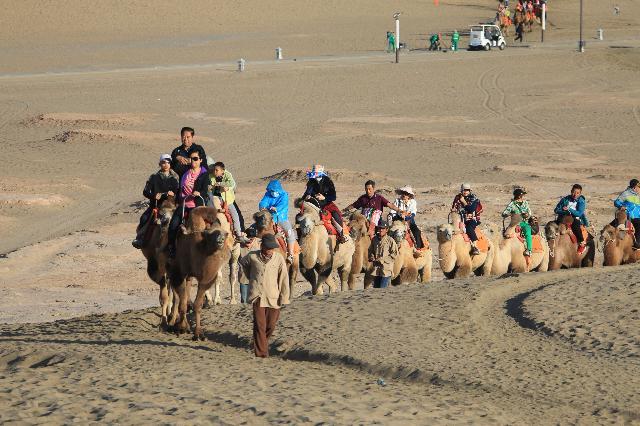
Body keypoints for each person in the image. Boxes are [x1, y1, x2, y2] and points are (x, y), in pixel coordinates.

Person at [239, 234, 290, 358]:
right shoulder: (252, 256)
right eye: (268, 248)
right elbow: (242, 263)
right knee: (260, 325)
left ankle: (260, 343)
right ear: (262, 247)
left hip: (274, 296)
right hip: (257, 296)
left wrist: (284, 297)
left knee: (271, 325)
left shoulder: (278, 258)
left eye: (272, 248)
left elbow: (283, 278)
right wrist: (251, 277)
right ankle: (262, 353)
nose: (270, 251)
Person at [166, 151, 210, 257]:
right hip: (184, 204)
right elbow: (180, 188)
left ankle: (210, 247)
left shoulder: (204, 174)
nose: (193, 161)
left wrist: (199, 192)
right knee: (173, 225)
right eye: (191, 159)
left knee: (210, 225)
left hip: (197, 205)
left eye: (195, 158)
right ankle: (171, 248)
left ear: (200, 160)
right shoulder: (185, 173)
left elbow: (205, 190)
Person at [132, 154, 179, 249]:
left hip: (170, 207)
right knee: (144, 218)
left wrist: (174, 194)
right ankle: (140, 238)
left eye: (168, 162)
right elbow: (145, 191)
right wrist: (154, 196)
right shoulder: (154, 177)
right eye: (163, 162)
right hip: (156, 206)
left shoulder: (175, 178)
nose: (166, 164)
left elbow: (178, 191)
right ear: (160, 164)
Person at [302, 164, 346, 242]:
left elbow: (333, 196)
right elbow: (307, 193)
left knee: (336, 215)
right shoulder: (311, 181)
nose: (315, 175)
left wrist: (324, 197)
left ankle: (341, 235)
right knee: (300, 216)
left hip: (326, 204)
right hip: (313, 205)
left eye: (316, 173)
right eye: (314, 173)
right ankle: (300, 236)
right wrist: (306, 196)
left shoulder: (328, 182)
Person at [258, 179, 296, 263]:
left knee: (289, 233)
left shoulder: (284, 195)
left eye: (274, 191)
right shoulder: (268, 194)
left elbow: (283, 204)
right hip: (269, 218)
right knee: (256, 229)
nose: (273, 192)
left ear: (278, 190)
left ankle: (290, 254)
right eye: (271, 190)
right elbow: (263, 202)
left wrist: (276, 208)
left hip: (281, 218)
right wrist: (262, 207)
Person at [209, 161, 246, 241]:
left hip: (227, 199)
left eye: (217, 170)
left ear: (222, 171)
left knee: (235, 215)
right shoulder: (211, 176)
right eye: (214, 170)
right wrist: (210, 187)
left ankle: (238, 233)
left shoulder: (227, 175)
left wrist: (224, 186)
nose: (215, 172)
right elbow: (209, 186)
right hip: (216, 199)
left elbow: (231, 183)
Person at [554, 184, 589, 255]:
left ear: (580, 193)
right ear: (571, 191)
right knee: (551, 226)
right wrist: (564, 211)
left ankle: (582, 243)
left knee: (576, 226)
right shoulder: (565, 199)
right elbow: (556, 210)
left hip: (574, 218)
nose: (575, 194)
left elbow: (579, 213)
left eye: (577, 193)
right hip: (563, 218)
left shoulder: (581, 201)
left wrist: (570, 210)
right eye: (573, 192)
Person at [451, 183, 483, 255]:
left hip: (471, 219)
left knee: (468, 227)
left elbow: (471, 209)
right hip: (459, 218)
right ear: (461, 190)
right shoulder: (457, 197)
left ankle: (475, 246)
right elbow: (454, 206)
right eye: (464, 190)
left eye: (467, 190)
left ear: (469, 191)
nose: (465, 192)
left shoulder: (474, 198)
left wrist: (463, 201)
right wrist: (453, 210)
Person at [502, 188, 533, 256]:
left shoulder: (525, 203)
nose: (524, 197)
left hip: (524, 223)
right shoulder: (512, 204)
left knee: (528, 233)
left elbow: (530, 213)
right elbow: (504, 213)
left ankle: (529, 250)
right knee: (506, 234)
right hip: (514, 224)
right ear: (519, 196)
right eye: (523, 195)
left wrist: (527, 215)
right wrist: (508, 213)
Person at [368, 220, 398, 288]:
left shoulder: (390, 240)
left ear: (387, 230)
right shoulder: (374, 239)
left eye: (383, 228)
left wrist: (382, 260)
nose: (381, 230)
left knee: (382, 290)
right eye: (379, 228)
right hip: (376, 270)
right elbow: (370, 250)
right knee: (376, 289)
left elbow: (394, 254)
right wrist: (371, 256)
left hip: (386, 270)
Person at [392, 185, 424, 249]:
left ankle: (418, 249)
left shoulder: (413, 202)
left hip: (409, 221)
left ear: (409, 195)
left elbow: (413, 212)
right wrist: (398, 215)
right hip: (398, 222)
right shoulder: (397, 201)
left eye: (406, 193)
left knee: (417, 232)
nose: (404, 195)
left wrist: (407, 218)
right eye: (403, 193)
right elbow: (392, 212)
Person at [612, 178, 640, 249]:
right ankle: (637, 244)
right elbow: (616, 202)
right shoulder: (625, 193)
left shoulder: (637, 195)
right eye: (638, 187)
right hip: (628, 216)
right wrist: (621, 206)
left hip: (637, 216)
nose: (639, 188)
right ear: (634, 187)